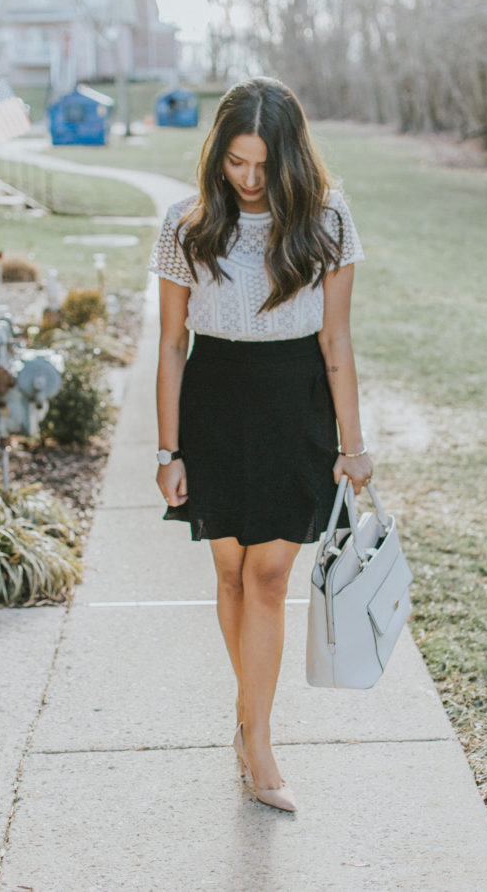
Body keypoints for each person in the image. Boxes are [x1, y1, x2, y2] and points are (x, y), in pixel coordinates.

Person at [150, 76, 373, 813]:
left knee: (271, 578)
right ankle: (248, 721)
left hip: (295, 403)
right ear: (219, 155)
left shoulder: (328, 219)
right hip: (214, 405)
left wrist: (354, 444)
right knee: (231, 572)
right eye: (236, 163)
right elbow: (172, 343)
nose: (248, 179)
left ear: (289, 160)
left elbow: (336, 339)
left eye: (262, 166)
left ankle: (260, 736)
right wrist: (166, 451)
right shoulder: (187, 225)